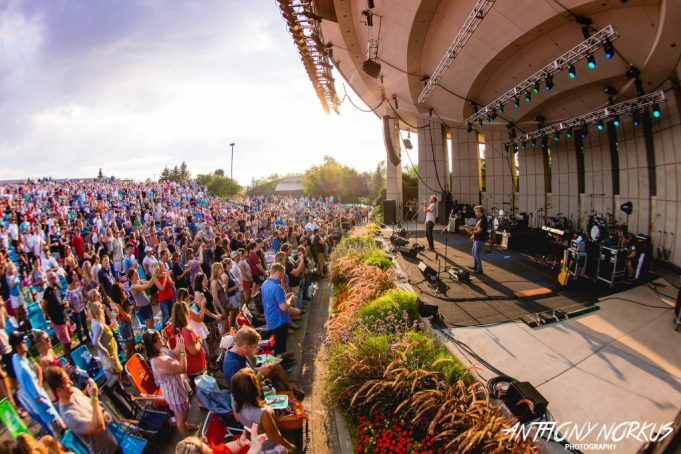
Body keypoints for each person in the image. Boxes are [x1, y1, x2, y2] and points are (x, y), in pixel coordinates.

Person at [44, 367, 120, 454]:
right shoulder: (69, 415)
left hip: (113, 444)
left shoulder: (74, 392)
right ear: (59, 390)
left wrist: (103, 411)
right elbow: (98, 427)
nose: (71, 383)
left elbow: (91, 403)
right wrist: (94, 397)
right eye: (67, 383)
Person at [142, 330, 198, 437]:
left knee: (183, 414)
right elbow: (182, 368)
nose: (161, 339)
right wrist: (183, 352)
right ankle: (187, 438)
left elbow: (174, 353)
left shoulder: (161, 349)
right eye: (158, 339)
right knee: (181, 417)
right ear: (152, 344)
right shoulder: (159, 361)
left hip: (177, 386)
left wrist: (179, 344)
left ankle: (184, 425)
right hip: (174, 392)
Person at [222, 327, 304, 400]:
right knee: (272, 391)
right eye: (254, 347)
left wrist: (264, 367)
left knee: (276, 367)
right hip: (247, 396)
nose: (256, 349)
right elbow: (248, 390)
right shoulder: (234, 365)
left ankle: (290, 388)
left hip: (252, 380)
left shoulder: (238, 352)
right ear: (246, 347)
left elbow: (250, 371)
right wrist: (261, 373)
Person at [10, 332, 64, 435]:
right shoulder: (24, 370)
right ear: (17, 346)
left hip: (42, 413)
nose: (25, 342)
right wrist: (39, 374)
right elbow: (38, 397)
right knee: (63, 436)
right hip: (49, 413)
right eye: (22, 341)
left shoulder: (15, 358)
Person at [231, 368, 296, 454]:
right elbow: (276, 436)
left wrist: (261, 374)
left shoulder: (234, 399)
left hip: (255, 446)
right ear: (254, 389)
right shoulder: (262, 414)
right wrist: (290, 447)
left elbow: (237, 419)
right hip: (271, 448)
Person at [261, 264, 295, 367]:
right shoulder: (277, 287)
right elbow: (284, 307)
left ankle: (283, 361)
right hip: (279, 319)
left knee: (279, 343)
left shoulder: (265, 284)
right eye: (283, 274)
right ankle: (280, 366)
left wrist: (285, 297)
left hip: (271, 317)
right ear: (278, 272)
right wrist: (291, 300)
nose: (283, 277)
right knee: (280, 344)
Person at [89, 300, 128, 385]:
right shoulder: (98, 325)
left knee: (116, 371)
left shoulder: (96, 321)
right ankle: (120, 387)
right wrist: (105, 351)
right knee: (116, 372)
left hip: (111, 348)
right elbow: (95, 341)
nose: (102, 309)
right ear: (97, 310)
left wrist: (110, 327)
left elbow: (102, 333)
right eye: (101, 307)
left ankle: (120, 385)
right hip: (109, 351)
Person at [169, 300, 206, 387]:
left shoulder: (177, 329)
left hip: (189, 365)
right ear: (185, 313)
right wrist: (200, 341)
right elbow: (193, 351)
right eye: (188, 310)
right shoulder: (185, 330)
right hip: (194, 367)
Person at [174, 423, 266, 454]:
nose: (211, 450)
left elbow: (223, 450)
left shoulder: (210, 450)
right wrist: (254, 449)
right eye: (209, 453)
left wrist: (240, 443)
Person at [42, 271, 73, 364]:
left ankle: (70, 354)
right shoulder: (47, 292)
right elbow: (43, 305)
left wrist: (65, 304)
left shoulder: (58, 287)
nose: (55, 279)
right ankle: (68, 358)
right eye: (52, 278)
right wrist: (48, 315)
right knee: (65, 341)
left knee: (69, 338)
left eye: (55, 277)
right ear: (49, 280)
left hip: (64, 317)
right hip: (57, 320)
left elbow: (60, 299)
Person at [65, 269, 90, 345]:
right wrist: (74, 309)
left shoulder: (78, 284)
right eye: (74, 274)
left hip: (82, 308)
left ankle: (89, 340)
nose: (76, 275)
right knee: (79, 328)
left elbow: (82, 295)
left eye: (76, 274)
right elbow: (68, 303)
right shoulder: (68, 290)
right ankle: (82, 343)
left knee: (85, 325)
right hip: (76, 311)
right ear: (70, 277)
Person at [111, 283, 135, 363]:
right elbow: (127, 317)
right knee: (129, 348)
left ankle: (135, 361)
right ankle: (129, 364)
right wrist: (130, 313)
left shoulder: (123, 301)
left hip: (128, 325)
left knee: (133, 344)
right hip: (124, 327)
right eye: (122, 289)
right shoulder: (118, 305)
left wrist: (129, 313)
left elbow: (129, 312)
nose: (123, 291)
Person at [465, 205, 487, 275]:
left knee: (476, 253)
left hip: (480, 238)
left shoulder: (483, 219)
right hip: (477, 238)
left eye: (476, 212)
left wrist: (470, 232)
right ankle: (475, 266)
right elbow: (477, 229)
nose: (475, 213)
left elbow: (479, 231)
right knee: (473, 251)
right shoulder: (479, 219)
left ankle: (480, 269)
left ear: (480, 212)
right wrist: (472, 233)